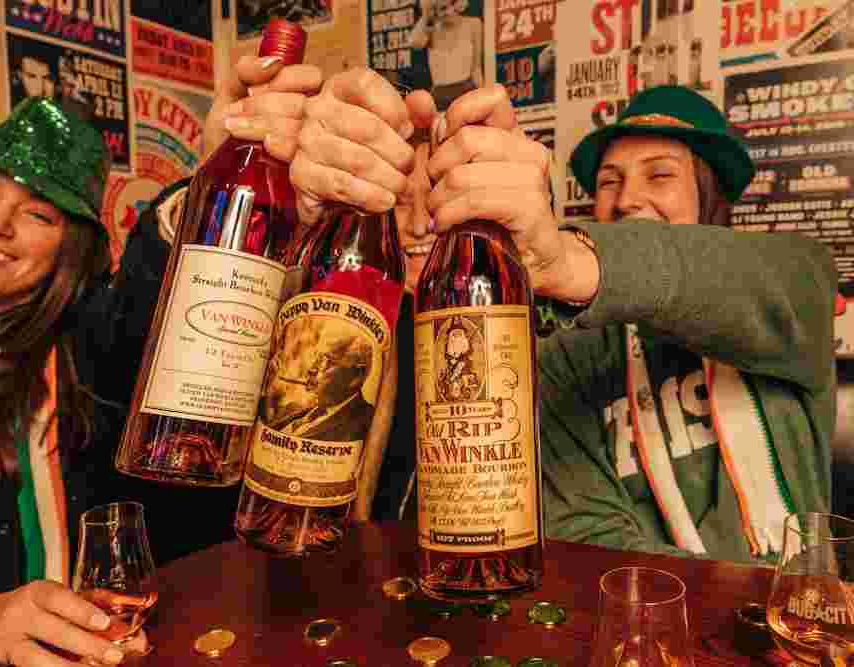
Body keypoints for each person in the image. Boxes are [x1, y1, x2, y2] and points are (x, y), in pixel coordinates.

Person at [278, 70, 836, 563]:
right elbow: (586, 534)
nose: (626, 200)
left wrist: (562, 259)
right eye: (610, 182)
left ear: (712, 194)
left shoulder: (788, 282)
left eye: (659, 175)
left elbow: (747, 277)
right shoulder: (564, 342)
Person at [0, 88, 309, 666]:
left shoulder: (90, 348)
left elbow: (151, 300)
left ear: (70, 251)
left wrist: (212, 196)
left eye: (38, 213)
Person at [409, 0, 484, 111]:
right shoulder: (430, 30)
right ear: (434, 11)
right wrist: (426, 15)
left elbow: (476, 68)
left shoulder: (474, 24)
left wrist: (483, 97)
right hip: (439, 95)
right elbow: (414, 43)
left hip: (467, 91)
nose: (448, 11)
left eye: (452, 4)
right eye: (442, 8)